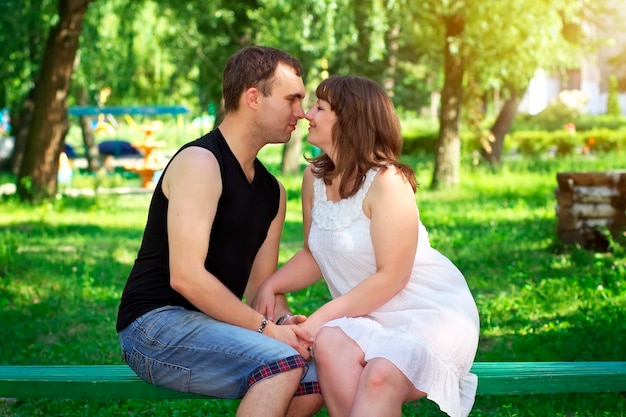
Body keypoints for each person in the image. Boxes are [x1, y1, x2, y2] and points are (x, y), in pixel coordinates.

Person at [252, 75, 480, 417]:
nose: (306, 114)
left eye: (320, 107)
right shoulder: (314, 178)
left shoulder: (388, 182)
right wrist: (273, 284)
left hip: (428, 312)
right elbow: (317, 253)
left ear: (350, 121)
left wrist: (318, 319)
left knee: (378, 375)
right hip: (368, 316)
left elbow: (393, 277)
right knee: (330, 343)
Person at [116, 46, 323, 417]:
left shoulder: (272, 192)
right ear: (253, 98)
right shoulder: (200, 163)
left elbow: (262, 291)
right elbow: (186, 278)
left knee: (315, 374)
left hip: (210, 325)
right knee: (284, 364)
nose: (302, 113)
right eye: (292, 99)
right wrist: (267, 331)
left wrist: (282, 324)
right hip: (153, 326)